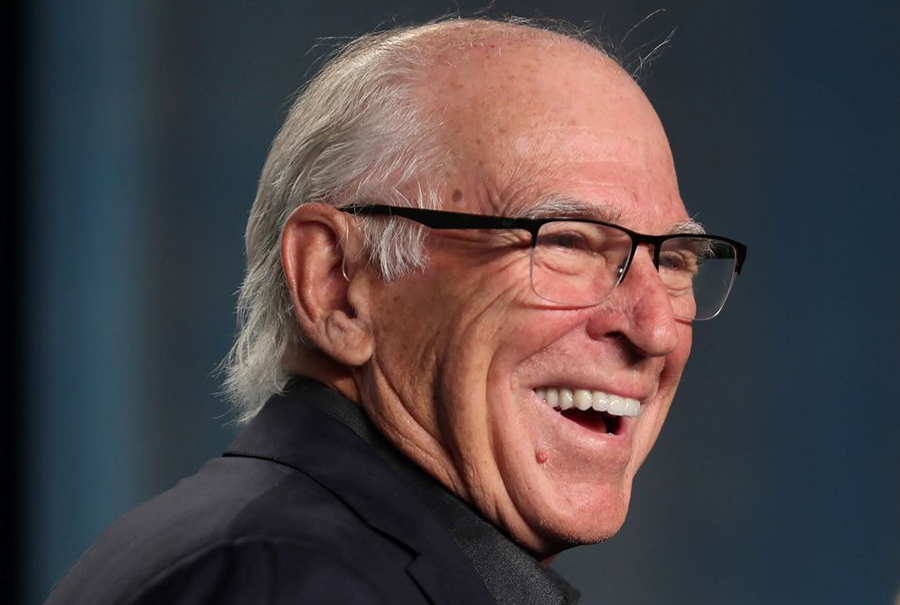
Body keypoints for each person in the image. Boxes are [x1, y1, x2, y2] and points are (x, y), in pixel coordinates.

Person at [45, 17, 746, 605]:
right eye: (565, 242)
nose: (655, 329)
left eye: (675, 261)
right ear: (336, 284)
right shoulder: (287, 579)